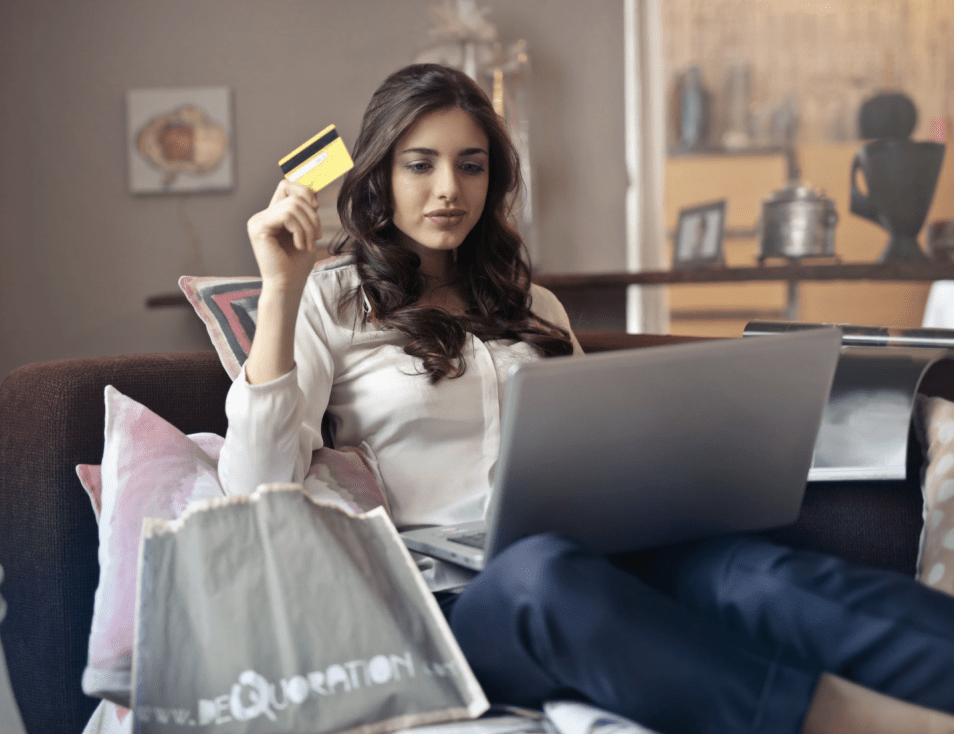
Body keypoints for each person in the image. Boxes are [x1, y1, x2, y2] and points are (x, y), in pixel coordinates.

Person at [219, 63, 954, 734]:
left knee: (752, 574)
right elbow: (255, 485)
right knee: (544, 577)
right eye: (422, 165)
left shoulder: (532, 305)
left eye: (471, 166)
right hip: (463, 608)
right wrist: (280, 291)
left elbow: (595, 443)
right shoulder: (332, 301)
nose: (450, 189)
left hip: (605, 556)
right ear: (380, 174)